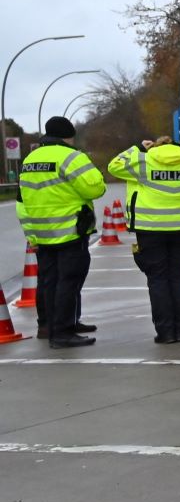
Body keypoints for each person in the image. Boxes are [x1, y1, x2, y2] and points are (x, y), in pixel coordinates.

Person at [108, 136, 180, 344]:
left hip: (150, 228)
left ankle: (165, 332)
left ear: (155, 146)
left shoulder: (143, 161)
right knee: (178, 277)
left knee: (158, 279)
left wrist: (136, 147)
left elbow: (114, 166)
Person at [17, 116, 105, 349]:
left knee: (49, 281)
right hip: (70, 230)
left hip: (42, 232)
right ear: (68, 135)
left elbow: (22, 198)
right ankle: (63, 332)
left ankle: (51, 327)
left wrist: (31, 233)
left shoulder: (30, 159)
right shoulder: (72, 157)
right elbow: (95, 188)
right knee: (69, 280)